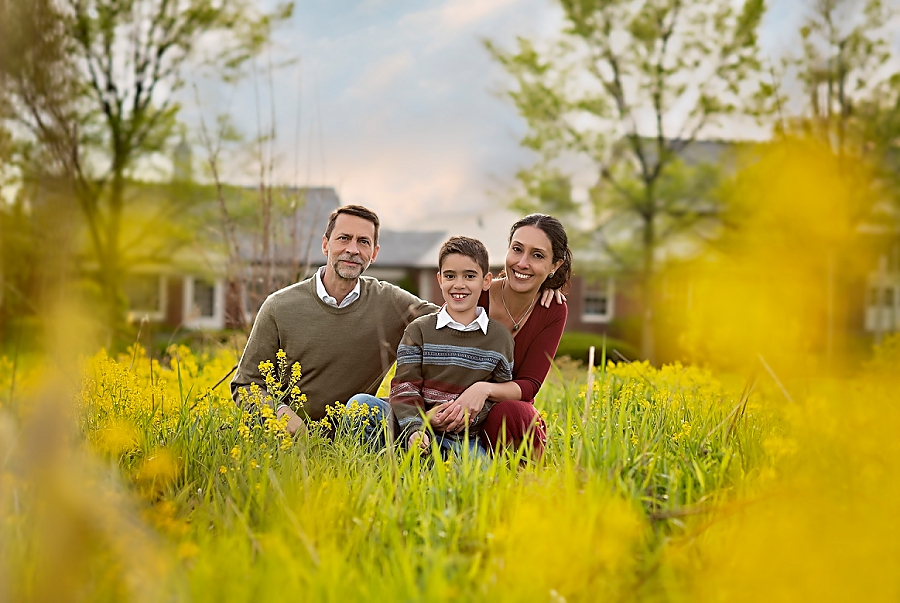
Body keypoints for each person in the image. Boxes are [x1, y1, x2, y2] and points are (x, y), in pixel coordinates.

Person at [230, 205, 438, 434]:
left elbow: (453, 323)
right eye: (344, 238)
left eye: (363, 242)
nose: (353, 249)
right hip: (287, 443)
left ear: (375, 253)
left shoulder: (390, 302)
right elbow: (246, 385)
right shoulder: (279, 307)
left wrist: (482, 389)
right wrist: (282, 416)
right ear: (325, 244)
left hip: (355, 441)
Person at [426, 214, 571, 459]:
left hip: (499, 417)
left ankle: (517, 480)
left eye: (537, 255)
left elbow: (529, 385)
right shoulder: (475, 292)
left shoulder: (552, 310)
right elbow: (433, 363)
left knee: (516, 413)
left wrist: (484, 389)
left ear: (554, 266)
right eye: (517, 249)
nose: (522, 263)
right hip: (452, 410)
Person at [390, 236, 514, 456]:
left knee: (479, 475)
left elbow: (498, 395)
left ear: (486, 281)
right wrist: (418, 426)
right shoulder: (419, 330)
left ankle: (435, 462)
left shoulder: (499, 338)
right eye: (450, 276)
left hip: (463, 439)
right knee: (362, 404)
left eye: (469, 276)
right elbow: (404, 388)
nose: (459, 284)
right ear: (439, 279)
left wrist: (462, 418)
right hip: (418, 429)